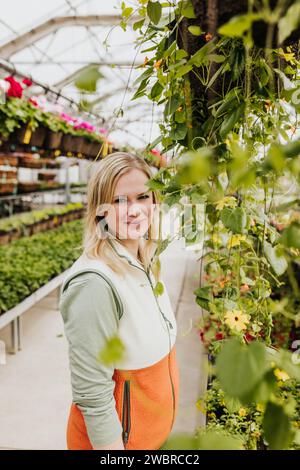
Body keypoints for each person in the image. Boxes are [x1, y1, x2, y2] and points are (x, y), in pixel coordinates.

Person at [59, 151, 179, 450]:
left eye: (142, 197)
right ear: (100, 210)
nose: (135, 210)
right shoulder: (94, 283)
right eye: (119, 200)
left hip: (149, 438)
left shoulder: (146, 259)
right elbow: (92, 393)